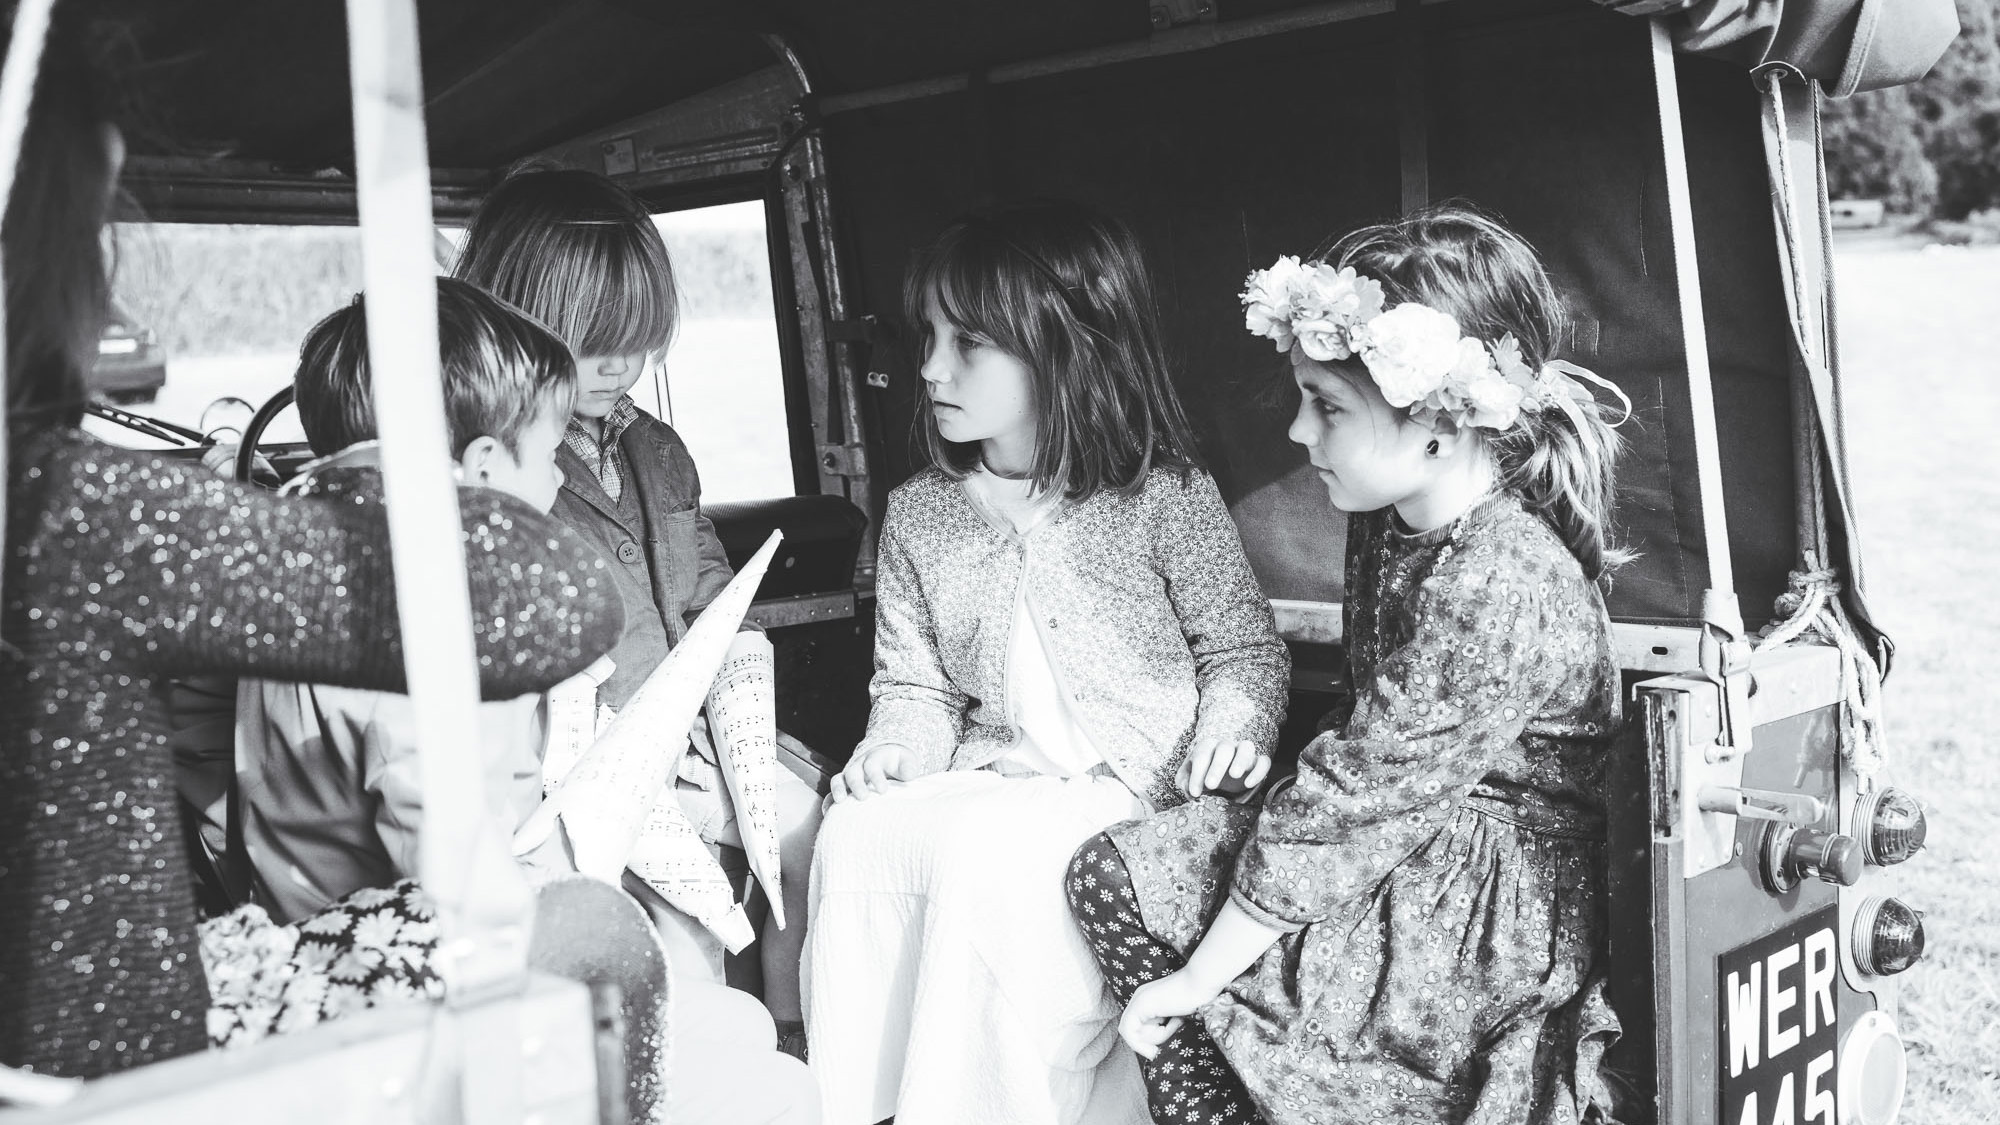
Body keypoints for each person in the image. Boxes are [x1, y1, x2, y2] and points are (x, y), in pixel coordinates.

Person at [0, 13, 623, 1078]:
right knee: (669, 1000)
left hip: (195, 968)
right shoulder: (63, 517)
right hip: (122, 1070)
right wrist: (414, 486)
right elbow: (557, 596)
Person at [1066, 204, 1628, 1125]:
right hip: (1396, 826)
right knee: (1112, 876)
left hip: (1492, 899)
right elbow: (1363, 768)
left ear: (1440, 432)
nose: (1296, 431)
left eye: (1326, 406)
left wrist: (1200, 975)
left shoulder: (1499, 580)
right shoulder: (1387, 520)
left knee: (1249, 997)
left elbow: (1362, 798)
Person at [804, 200, 1291, 1125]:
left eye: (969, 344)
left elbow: (1240, 650)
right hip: (994, 773)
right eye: (929, 337)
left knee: (981, 858)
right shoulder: (919, 512)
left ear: (1061, 350)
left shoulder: (1164, 496)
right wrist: (894, 747)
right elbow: (914, 685)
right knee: (856, 833)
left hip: (1129, 783)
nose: (930, 368)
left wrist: (1233, 730)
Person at [451, 167, 823, 1055]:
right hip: (582, 762)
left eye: (639, 339)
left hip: (696, 730)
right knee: (685, 919)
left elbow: (709, 594)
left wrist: (732, 702)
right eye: (593, 341)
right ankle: (714, 1068)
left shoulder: (660, 450)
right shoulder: (498, 469)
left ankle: (793, 1039)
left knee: (808, 819)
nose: (620, 365)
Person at [229, 279, 578, 928]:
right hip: (395, 976)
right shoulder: (427, 609)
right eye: (552, 456)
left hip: (308, 925)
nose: (559, 480)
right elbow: (457, 878)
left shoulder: (310, 558)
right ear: (483, 470)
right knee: (737, 1023)